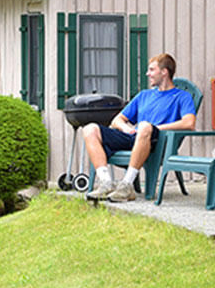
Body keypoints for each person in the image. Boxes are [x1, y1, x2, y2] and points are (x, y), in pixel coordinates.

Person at [83, 53, 196, 202]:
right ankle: (106, 183)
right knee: (90, 129)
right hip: (133, 136)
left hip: (157, 141)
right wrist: (125, 128)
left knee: (143, 126)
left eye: (151, 70)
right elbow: (117, 120)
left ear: (164, 72)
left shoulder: (182, 96)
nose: (147, 74)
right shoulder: (144, 95)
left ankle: (127, 185)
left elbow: (189, 123)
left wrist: (154, 127)